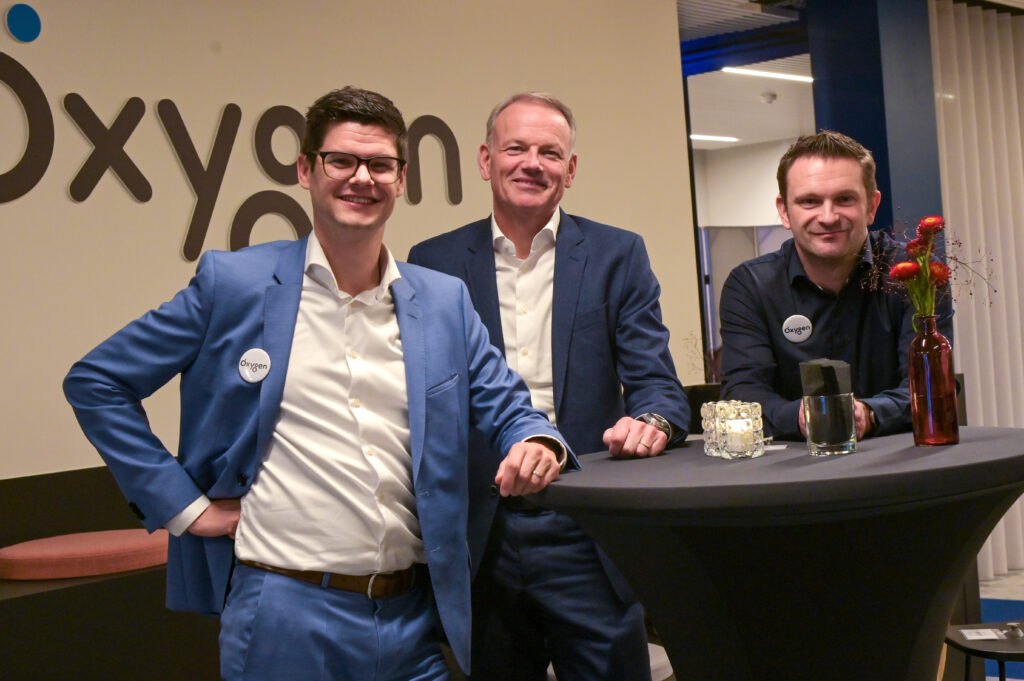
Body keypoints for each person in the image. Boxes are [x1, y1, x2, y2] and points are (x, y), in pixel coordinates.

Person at [63, 87, 573, 681]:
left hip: (412, 620)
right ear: (306, 170)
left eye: (380, 164)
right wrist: (184, 506)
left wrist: (535, 440)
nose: (362, 178)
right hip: (285, 614)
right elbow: (97, 381)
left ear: (401, 179)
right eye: (341, 161)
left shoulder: (442, 302)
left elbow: (509, 406)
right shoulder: (235, 285)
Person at [408, 92, 688, 681]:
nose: (532, 163)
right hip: (481, 534)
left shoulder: (617, 254)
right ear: (485, 160)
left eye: (550, 152)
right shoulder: (431, 263)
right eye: (516, 148)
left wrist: (652, 423)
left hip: (587, 528)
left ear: (571, 169)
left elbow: (658, 386)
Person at [719, 130, 953, 440]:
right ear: (784, 211)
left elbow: (929, 385)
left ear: (871, 206)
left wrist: (868, 414)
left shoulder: (915, 277)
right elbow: (744, 394)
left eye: (844, 199)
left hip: (898, 459)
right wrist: (803, 417)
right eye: (810, 201)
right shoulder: (750, 287)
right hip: (794, 464)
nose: (828, 217)